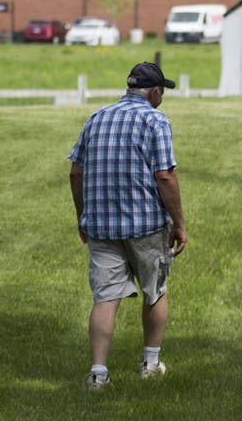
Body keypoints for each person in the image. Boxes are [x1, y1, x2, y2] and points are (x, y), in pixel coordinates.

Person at [68, 61, 188, 391]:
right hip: (146, 226)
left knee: (105, 298)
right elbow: (165, 175)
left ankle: (98, 374)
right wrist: (179, 223)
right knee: (155, 291)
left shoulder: (97, 118)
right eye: (161, 91)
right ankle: (150, 363)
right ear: (154, 92)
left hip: (101, 228)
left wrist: (82, 216)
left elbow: (76, 172)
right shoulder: (155, 120)